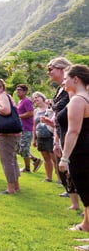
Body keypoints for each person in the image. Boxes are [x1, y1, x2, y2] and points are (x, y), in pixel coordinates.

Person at [42, 57, 80, 209]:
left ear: (62, 69)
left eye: (51, 69)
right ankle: (75, 203)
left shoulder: (74, 91)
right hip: (61, 133)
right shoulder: (59, 90)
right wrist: (56, 136)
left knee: (76, 168)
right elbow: (60, 116)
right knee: (63, 168)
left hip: (74, 133)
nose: (48, 72)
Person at [57, 65, 89, 231]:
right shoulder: (86, 97)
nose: (64, 81)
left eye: (67, 78)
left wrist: (64, 158)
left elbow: (73, 131)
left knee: (86, 190)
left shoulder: (78, 100)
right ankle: (87, 225)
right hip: (85, 149)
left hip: (81, 152)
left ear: (76, 79)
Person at [0, 78, 21, 194]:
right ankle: (16, 186)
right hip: (12, 133)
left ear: (2, 88)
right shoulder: (5, 96)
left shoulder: (2, 96)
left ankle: (11, 188)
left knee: (7, 160)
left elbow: (6, 110)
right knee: (12, 159)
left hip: (6, 133)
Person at [16, 84, 43, 173]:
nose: (17, 91)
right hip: (20, 128)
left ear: (25, 92)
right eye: (17, 89)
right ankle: (35, 160)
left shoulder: (27, 101)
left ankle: (27, 168)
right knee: (19, 148)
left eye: (20, 90)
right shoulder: (20, 101)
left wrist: (18, 116)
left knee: (24, 148)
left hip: (26, 128)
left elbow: (31, 113)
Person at [32, 91, 57, 182]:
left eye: (37, 97)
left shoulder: (50, 108)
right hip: (40, 136)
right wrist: (34, 139)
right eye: (34, 98)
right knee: (46, 158)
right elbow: (34, 126)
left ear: (42, 97)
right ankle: (48, 177)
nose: (35, 99)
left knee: (54, 158)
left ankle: (59, 179)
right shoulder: (35, 111)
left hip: (50, 136)